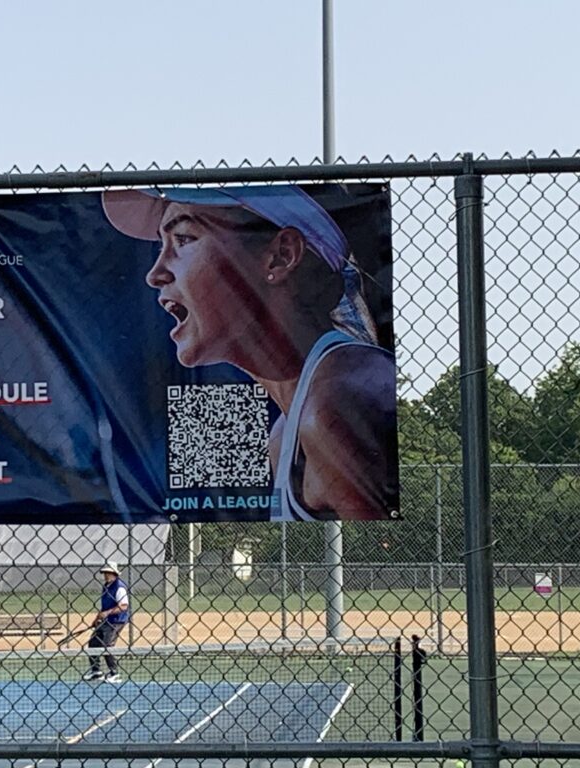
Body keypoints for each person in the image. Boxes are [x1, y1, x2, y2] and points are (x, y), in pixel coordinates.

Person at [102, 186, 398, 521]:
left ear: (281, 255)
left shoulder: (338, 401)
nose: (154, 274)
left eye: (183, 239)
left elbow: (387, 555)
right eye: (161, 245)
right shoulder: (287, 429)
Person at [84, 562, 129, 682]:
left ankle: (114, 673)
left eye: (107, 573)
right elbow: (104, 608)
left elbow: (124, 606)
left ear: (113, 573)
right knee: (93, 643)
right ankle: (96, 671)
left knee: (107, 645)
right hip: (106, 620)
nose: (105, 575)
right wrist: (97, 619)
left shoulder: (119, 587)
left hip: (117, 621)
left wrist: (107, 613)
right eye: (104, 573)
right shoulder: (106, 586)